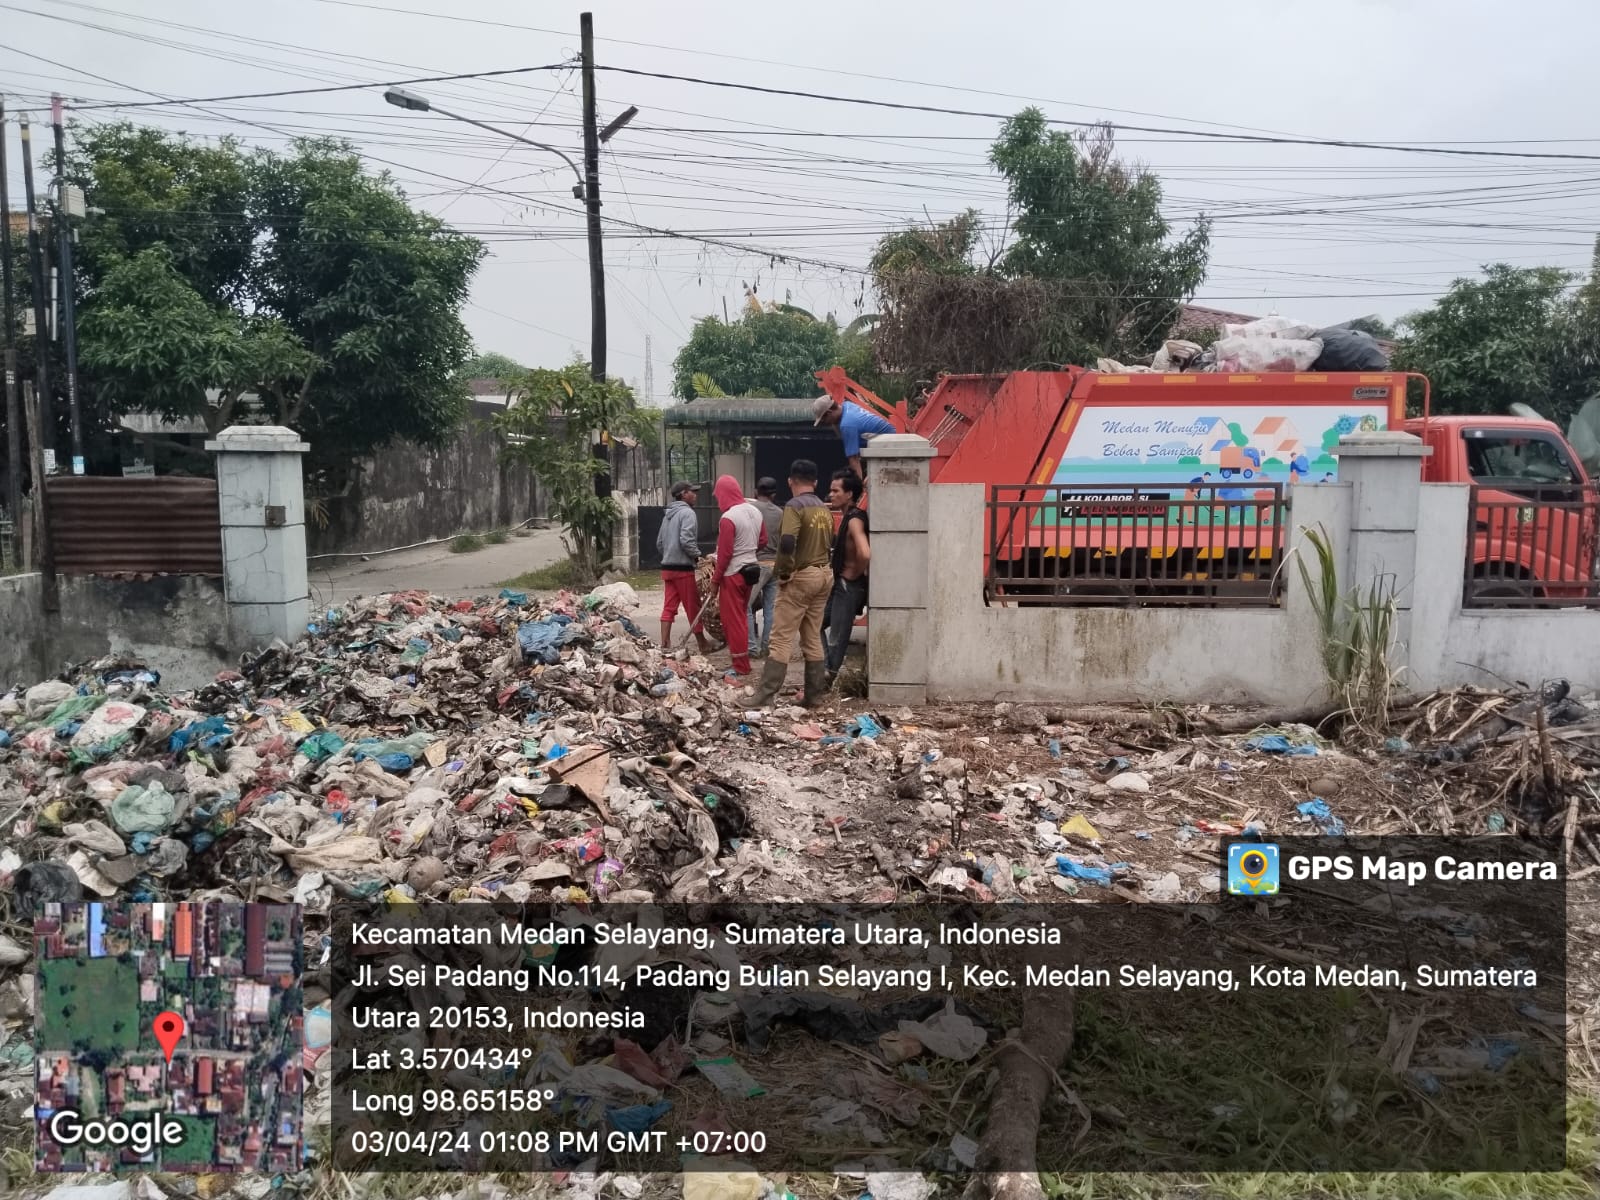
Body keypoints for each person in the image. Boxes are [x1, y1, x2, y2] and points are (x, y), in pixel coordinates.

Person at [749, 459, 834, 708]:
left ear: (790, 481)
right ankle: (814, 697)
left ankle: (764, 696)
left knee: (781, 638)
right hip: (824, 575)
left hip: (801, 576)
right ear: (816, 482)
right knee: (811, 637)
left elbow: (787, 542)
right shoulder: (823, 508)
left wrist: (783, 572)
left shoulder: (794, 506)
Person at [704, 476, 767, 679]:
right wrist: (748, 551)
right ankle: (742, 663)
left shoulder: (729, 518)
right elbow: (763, 540)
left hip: (732, 574)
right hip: (750, 571)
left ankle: (740, 666)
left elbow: (725, 554)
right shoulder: (755, 511)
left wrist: (715, 581)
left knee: (734, 621)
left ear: (724, 493)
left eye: (718, 496)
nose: (718, 500)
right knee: (741, 615)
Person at [656, 480, 713, 654]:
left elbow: (659, 543)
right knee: (693, 607)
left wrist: (668, 555)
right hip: (682, 568)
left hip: (667, 567)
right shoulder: (687, 513)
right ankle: (703, 644)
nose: (695, 495)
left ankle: (665, 644)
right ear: (683, 494)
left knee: (669, 607)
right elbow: (687, 540)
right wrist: (697, 557)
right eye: (692, 492)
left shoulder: (668, 515)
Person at [824, 469, 870, 684]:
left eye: (836, 491)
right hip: (841, 585)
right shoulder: (846, 518)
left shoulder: (854, 520)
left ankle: (826, 679)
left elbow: (865, 552)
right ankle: (824, 671)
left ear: (849, 494)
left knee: (837, 639)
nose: (831, 495)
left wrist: (854, 573)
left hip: (848, 585)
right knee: (813, 625)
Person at [812, 395, 895, 479]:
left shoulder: (847, 425)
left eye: (824, 420)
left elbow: (854, 460)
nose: (826, 423)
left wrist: (858, 488)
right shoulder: (847, 405)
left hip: (890, 449)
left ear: (829, 412)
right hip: (890, 440)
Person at [747, 477, 783, 658]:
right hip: (775, 564)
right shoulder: (780, 513)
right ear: (774, 495)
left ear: (755, 492)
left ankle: (751, 648)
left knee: (744, 606)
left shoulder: (750, 510)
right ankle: (766, 647)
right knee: (770, 608)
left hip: (757, 564)